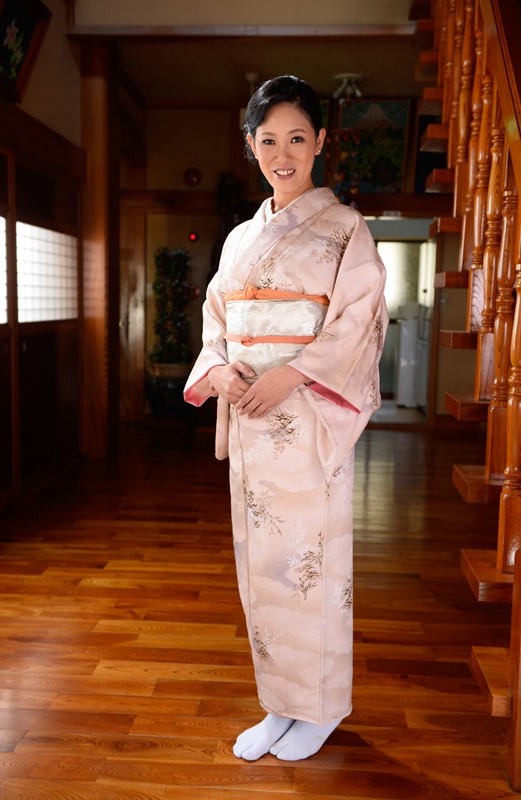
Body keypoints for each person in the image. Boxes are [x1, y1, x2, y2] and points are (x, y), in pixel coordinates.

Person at [184, 75, 388, 762]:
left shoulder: (345, 229)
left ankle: (322, 707)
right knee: (263, 570)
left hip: (307, 418)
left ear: (320, 142)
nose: (282, 154)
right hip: (249, 417)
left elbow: (360, 322)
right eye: (268, 140)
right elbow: (216, 321)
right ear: (251, 145)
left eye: (297, 138)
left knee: (311, 567)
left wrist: (293, 374)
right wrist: (218, 371)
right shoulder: (240, 238)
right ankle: (280, 702)